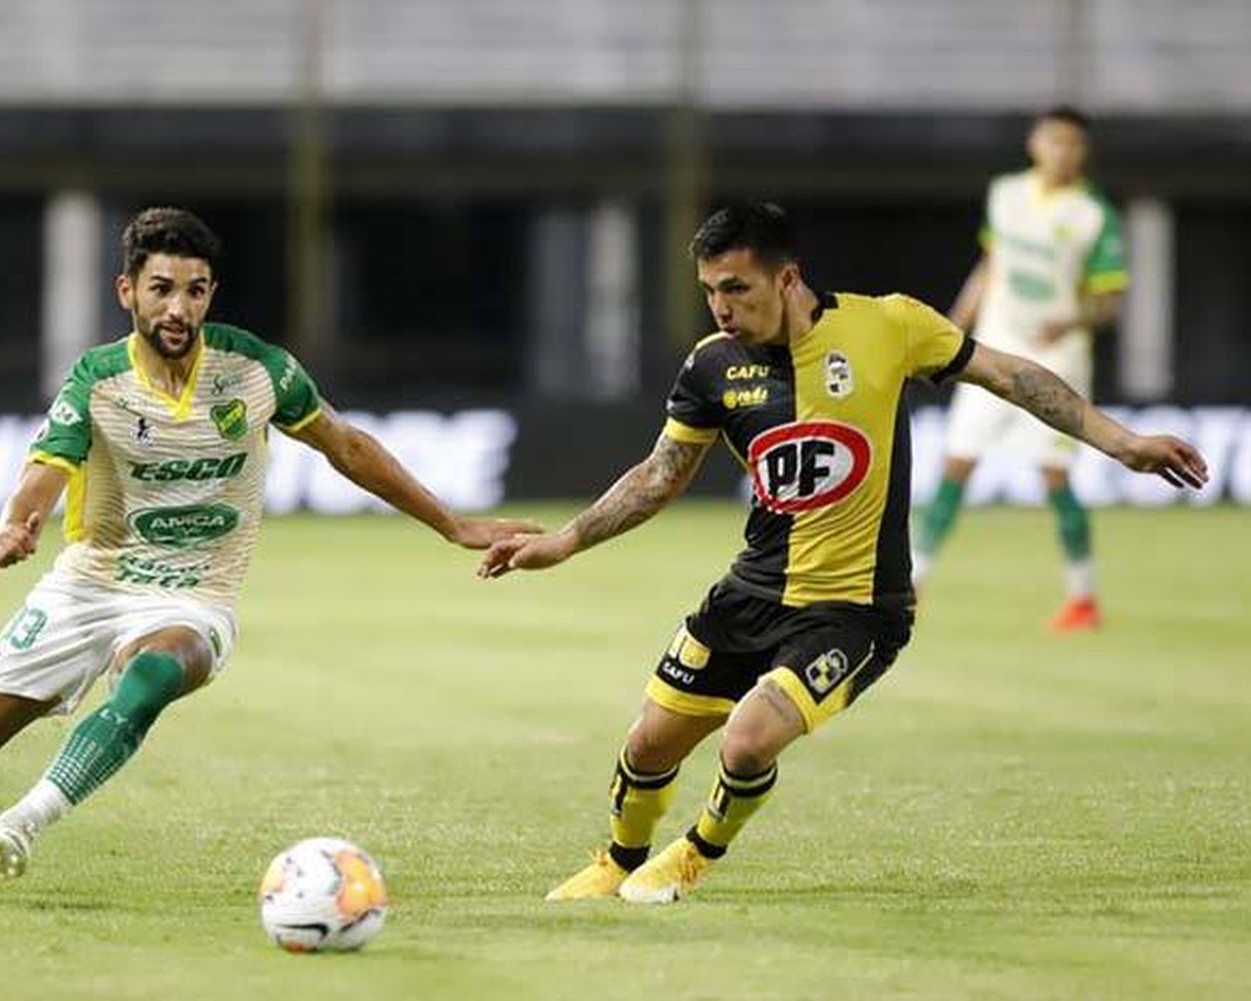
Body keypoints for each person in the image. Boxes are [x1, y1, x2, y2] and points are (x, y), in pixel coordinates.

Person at [0, 207, 538, 897]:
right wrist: (19, 522)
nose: (178, 308)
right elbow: (46, 467)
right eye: (161, 289)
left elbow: (347, 446)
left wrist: (451, 524)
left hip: (196, 597)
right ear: (127, 291)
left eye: (195, 290)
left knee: (153, 673)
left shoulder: (257, 371)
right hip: (88, 585)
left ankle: (22, 822)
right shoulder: (97, 378)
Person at [479, 202, 1206, 905]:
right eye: (709, 292)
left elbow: (1013, 376)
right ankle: (617, 860)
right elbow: (659, 474)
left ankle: (693, 855)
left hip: (855, 611)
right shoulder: (711, 367)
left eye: (737, 288)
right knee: (647, 746)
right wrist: (565, 540)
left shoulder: (889, 324)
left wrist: (1123, 442)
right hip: (750, 593)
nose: (722, 308)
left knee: (748, 738)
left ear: (787, 277)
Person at [913, 106, 1128, 631]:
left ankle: (1083, 597)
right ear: (1036, 143)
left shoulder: (1094, 215)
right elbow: (989, 267)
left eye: (1073, 144)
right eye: (1055, 140)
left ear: (1084, 152)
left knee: (1055, 476)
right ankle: (911, 584)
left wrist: (1072, 317)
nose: (1063, 152)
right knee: (955, 466)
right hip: (993, 352)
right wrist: (950, 329)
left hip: (1057, 362)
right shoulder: (1006, 195)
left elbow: (1110, 301)